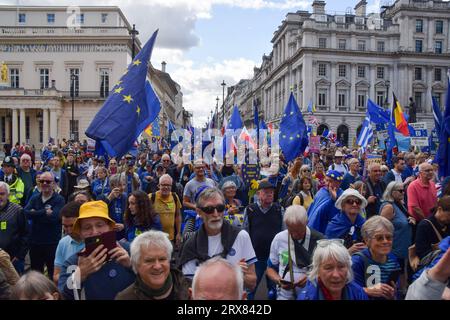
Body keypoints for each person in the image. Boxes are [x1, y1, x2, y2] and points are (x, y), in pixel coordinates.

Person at [178, 188, 257, 293]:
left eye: (220, 208)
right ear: (199, 212)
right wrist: (231, 273)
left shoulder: (241, 236)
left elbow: (252, 283)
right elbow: (189, 290)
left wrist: (239, 275)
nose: (216, 214)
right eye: (209, 209)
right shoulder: (191, 245)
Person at [57, 200, 135, 300]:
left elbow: (153, 284)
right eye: (87, 227)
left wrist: (131, 266)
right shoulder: (72, 263)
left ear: (110, 227)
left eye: (100, 225)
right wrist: (80, 275)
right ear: (81, 233)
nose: (94, 232)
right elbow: (63, 296)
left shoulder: (130, 250)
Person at [266, 205, 324, 300]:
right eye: (291, 230)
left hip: (310, 295)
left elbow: (327, 270)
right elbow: (270, 269)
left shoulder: (319, 240)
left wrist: (311, 278)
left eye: (299, 231)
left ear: (306, 222)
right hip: (284, 295)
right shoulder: (279, 238)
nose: (294, 234)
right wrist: (279, 280)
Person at [116, 230, 189, 300]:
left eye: (162, 259)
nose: (157, 266)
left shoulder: (192, 290)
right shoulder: (125, 298)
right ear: (136, 264)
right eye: (149, 261)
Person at [243, 180, 283, 299]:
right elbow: (245, 233)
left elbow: (284, 233)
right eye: (266, 192)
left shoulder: (279, 209)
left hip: (274, 258)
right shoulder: (250, 210)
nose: (270, 194)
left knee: (274, 289)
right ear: (259, 194)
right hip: (256, 257)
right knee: (251, 289)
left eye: (271, 192)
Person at [24, 172, 65, 279]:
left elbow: (55, 218)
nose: (44, 183)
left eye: (48, 181)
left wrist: (35, 213)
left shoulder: (59, 199)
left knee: (53, 274)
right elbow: (26, 213)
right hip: (35, 243)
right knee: (36, 275)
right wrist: (44, 212)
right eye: (42, 181)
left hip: (52, 243)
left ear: (53, 183)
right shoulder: (35, 198)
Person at [297, 239, 368, 300]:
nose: (336, 275)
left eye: (341, 267)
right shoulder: (307, 297)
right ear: (317, 270)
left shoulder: (358, 294)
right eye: (328, 268)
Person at [351, 216, 401, 300]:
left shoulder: (393, 260)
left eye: (389, 237)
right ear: (367, 240)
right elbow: (349, 291)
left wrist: (392, 294)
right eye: (379, 238)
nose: (385, 241)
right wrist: (366, 290)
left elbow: (396, 291)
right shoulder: (357, 261)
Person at [380, 181, 414, 285]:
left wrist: (410, 219)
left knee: (401, 272)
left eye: (404, 190)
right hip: (393, 250)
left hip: (401, 248)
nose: (403, 193)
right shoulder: (388, 207)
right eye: (400, 191)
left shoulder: (398, 204)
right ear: (392, 192)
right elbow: (381, 228)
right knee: (392, 276)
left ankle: (401, 291)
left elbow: (401, 220)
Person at [325, 188, 367, 254]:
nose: (354, 204)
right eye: (350, 201)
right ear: (343, 205)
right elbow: (330, 253)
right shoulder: (333, 226)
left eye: (358, 201)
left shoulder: (365, 224)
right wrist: (348, 252)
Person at [0, 182, 29, 274]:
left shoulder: (17, 211)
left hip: (13, 260)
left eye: (2, 194)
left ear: (8, 195)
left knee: (16, 287)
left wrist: (19, 256)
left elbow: (26, 234)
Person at [53, 201, 84, 284]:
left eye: (72, 226)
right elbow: (56, 276)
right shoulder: (63, 243)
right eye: (65, 226)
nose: (69, 231)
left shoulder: (95, 242)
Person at [149, 174, 182, 247]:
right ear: (159, 186)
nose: (166, 187)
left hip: (170, 238)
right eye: (163, 185)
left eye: (168, 185)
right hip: (154, 239)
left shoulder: (175, 197)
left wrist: (178, 233)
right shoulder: (151, 197)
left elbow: (178, 215)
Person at [415, 196, 450, 260]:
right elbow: (422, 253)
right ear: (440, 209)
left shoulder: (447, 223)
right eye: (449, 215)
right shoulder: (425, 226)